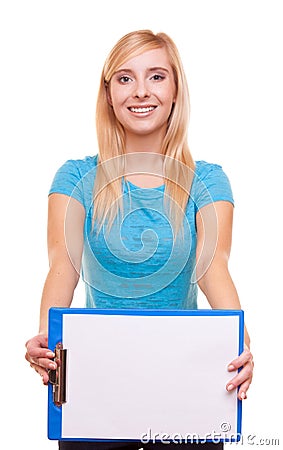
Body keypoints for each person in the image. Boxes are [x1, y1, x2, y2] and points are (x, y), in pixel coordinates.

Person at [25, 30, 254, 450]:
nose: (141, 91)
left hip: (187, 391)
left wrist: (240, 342)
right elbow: (63, 265)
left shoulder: (207, 180)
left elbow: (213, 267)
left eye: (157, 76)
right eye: (125, 78)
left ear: (175, 91)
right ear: (109, 93)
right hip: (96, 391)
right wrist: (46, 336)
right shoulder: (77, 178)